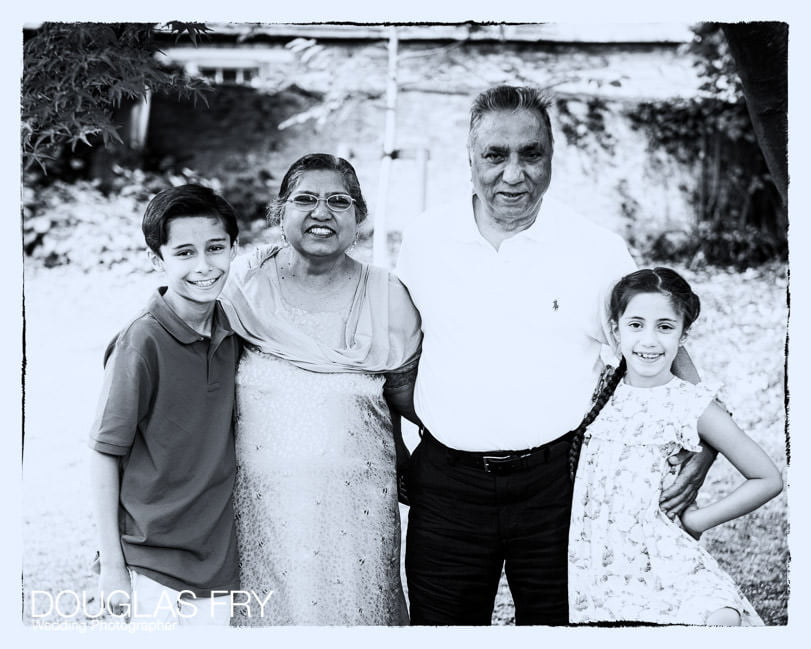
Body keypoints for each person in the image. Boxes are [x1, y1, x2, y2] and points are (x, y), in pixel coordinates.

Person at [394, 85, 713, 625]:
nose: (513, 174)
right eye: (495, 155)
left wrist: (700, 443)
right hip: (448, 484)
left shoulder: (595, 248)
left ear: (551, 156)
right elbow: (400, 350)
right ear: (469, 158)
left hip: (561, 484)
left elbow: (660, 341)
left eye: (531, 154)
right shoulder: (426, 238)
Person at [220, 153, 421, 626]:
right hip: (260, 513)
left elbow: (411, 398)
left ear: (359, 216)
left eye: (338, 200)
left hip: (358, 514)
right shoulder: (244, 283)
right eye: (305, 199)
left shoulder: (387, 294)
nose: (321, 212)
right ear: (280, 212)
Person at [568, 267, 783, 625]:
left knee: (720, 620)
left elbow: (767, 478)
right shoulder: (599, 392)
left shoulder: (693, 405)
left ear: (683, 335)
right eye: (636, 325)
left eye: (665, 327)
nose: (649, 340)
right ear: (615, 329)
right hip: (599, 574)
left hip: (667, 562)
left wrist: (698, 519)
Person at [88, 184, 241, 626]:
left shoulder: (233, 331)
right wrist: (114, 567)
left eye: (216, 248)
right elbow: (104, 453)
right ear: (158, 260)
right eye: (185, 253)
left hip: (215, 560)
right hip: (147, 560)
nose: (204, 266)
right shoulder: (142, 341)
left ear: (234, 248)